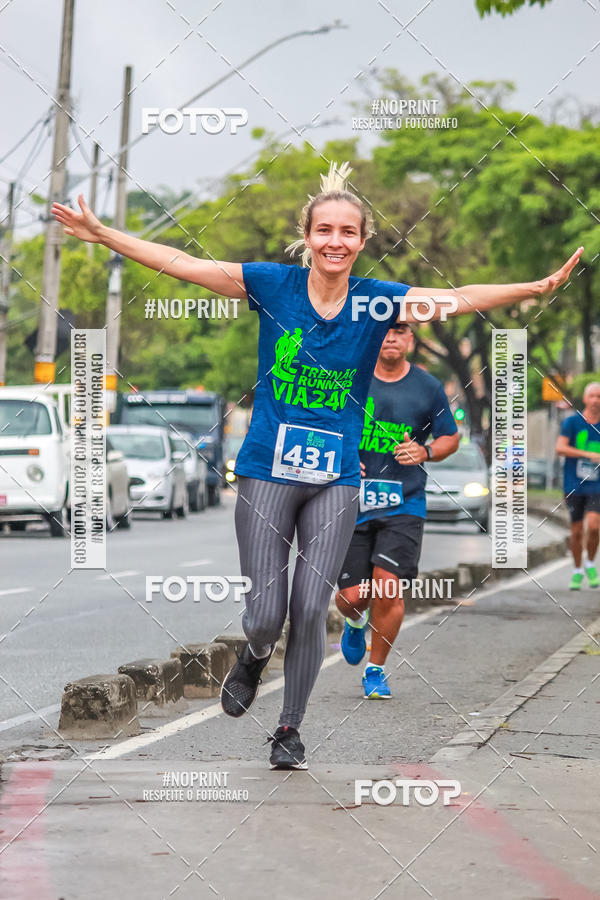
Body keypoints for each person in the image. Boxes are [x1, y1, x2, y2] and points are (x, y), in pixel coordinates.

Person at [53, 163, 583, 770]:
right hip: (266, 471)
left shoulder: (378, 301)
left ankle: (288, 728)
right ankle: (254, 655)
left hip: (337, 475)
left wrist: (534, 289)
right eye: (324, 229)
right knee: (265, 615)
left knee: (310, 609)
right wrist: (104, 235)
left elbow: (460, 299)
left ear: (363, 241)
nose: (336, 241)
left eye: (348, 232)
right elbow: (182, 264)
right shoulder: (271, 286)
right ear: (306, 236)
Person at [335, 324, 460, 697]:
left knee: (388, 588)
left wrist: (426, 451)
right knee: (354, 597)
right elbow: (324, 423)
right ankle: (355, 622)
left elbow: (451, 436)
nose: (391, 337)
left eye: (400, 331)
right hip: (351, 499)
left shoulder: (428, 387)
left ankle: (376, 669)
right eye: (384, 331)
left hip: (404, 502)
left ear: (410, 339)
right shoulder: (349, 380)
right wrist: (342, 459)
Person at [556, 382, 600, 590]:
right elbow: (560, 448)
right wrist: (587, 454)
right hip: (574, 484)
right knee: (575, 531)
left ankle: (590, 562)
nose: (595, 400)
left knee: (593, 527)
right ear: (585, 399)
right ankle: (577, 569)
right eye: (592, 396)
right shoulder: (572, 423)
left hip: (597, 486)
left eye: (599, 397)